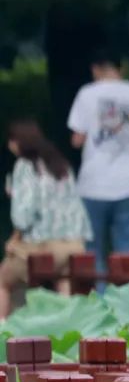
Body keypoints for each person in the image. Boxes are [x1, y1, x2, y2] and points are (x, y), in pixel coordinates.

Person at [67, 47, 129, 287]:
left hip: (93, 185)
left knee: (92, 252)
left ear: (95, 69)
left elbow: (77, 138)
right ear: (122, 67)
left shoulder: (86, 94)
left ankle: (99, 304)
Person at [0, 120, 93, 317]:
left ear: (18, 142)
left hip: (41, 248)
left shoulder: (24, 167)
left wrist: (14, 239)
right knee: (63, 278)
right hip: (73, 246)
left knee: (3, 281)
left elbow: (23, 217)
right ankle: (68, 324)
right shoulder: (61, 164)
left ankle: (1, 327)